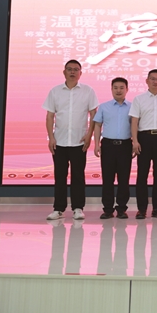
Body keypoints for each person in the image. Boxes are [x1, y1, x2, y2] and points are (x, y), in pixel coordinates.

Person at [43, 59, 99, 220]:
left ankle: (78, 208)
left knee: (78, 176)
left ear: (81, 73)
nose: (72, 72)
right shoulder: (55, 91)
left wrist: (89, 136)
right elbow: (50, 116)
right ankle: (58, 209)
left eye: (76, 69)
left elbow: (93, 115)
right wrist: (51, 138)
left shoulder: (88, 91)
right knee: (59, 176)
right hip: (59, 141)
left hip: (79, 141)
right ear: (64, 72)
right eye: (69, 69)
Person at [129, 69, 157, 219]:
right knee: (142, 175)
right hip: (144, 138)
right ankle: (141, 209)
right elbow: (134, 121)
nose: (155, 81)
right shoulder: (139, 99)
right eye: (152, 79)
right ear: (147, 81)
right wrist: (135, 141)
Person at [93, 77, 132, 219]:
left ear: (127, 89)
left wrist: (135, 144)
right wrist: (96, 144)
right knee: (107, 179)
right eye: (115, 87)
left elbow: (136, 127)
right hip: (108, 145)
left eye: (122, 88)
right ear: (111, 89)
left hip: (125, 146)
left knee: (124, 179)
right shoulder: (104, 106)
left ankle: (121, 208)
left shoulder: (132, 107)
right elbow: (97, 125)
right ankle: (108, 209)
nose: (118, 90)